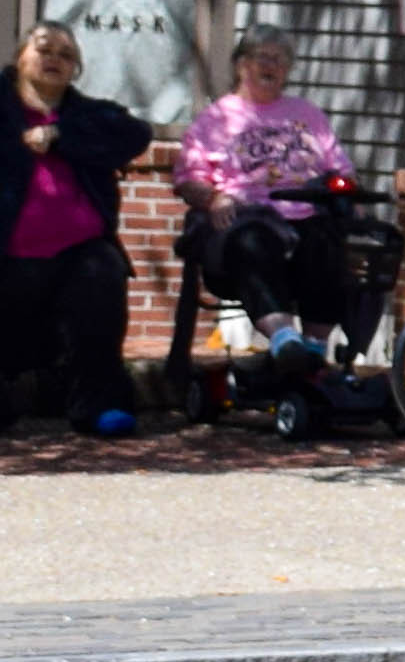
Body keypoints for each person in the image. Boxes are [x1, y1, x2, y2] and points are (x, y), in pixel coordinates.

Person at [0, 24, 152, 436]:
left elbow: (136, 134)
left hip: (76, 255)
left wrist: (61, 136)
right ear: (19, 58)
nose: (54, 59)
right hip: (8, 256)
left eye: (66, 55)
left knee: (102, 269)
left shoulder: (86, 114)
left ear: (76, 69)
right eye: (44, 48)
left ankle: (100, 405)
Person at [176, 25, 359, 368]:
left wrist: (344, 189)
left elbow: (343, 170)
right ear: (241, 64)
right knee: (253, 241)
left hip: (306, 215)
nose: (271, 65)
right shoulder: (215, 119)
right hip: (245, 220)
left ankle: (315, 350)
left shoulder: (308, 114)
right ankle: (285, 340)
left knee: (328, 242)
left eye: (281, 60)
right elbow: (188, 178)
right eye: (263, 57)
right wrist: (214, 198)